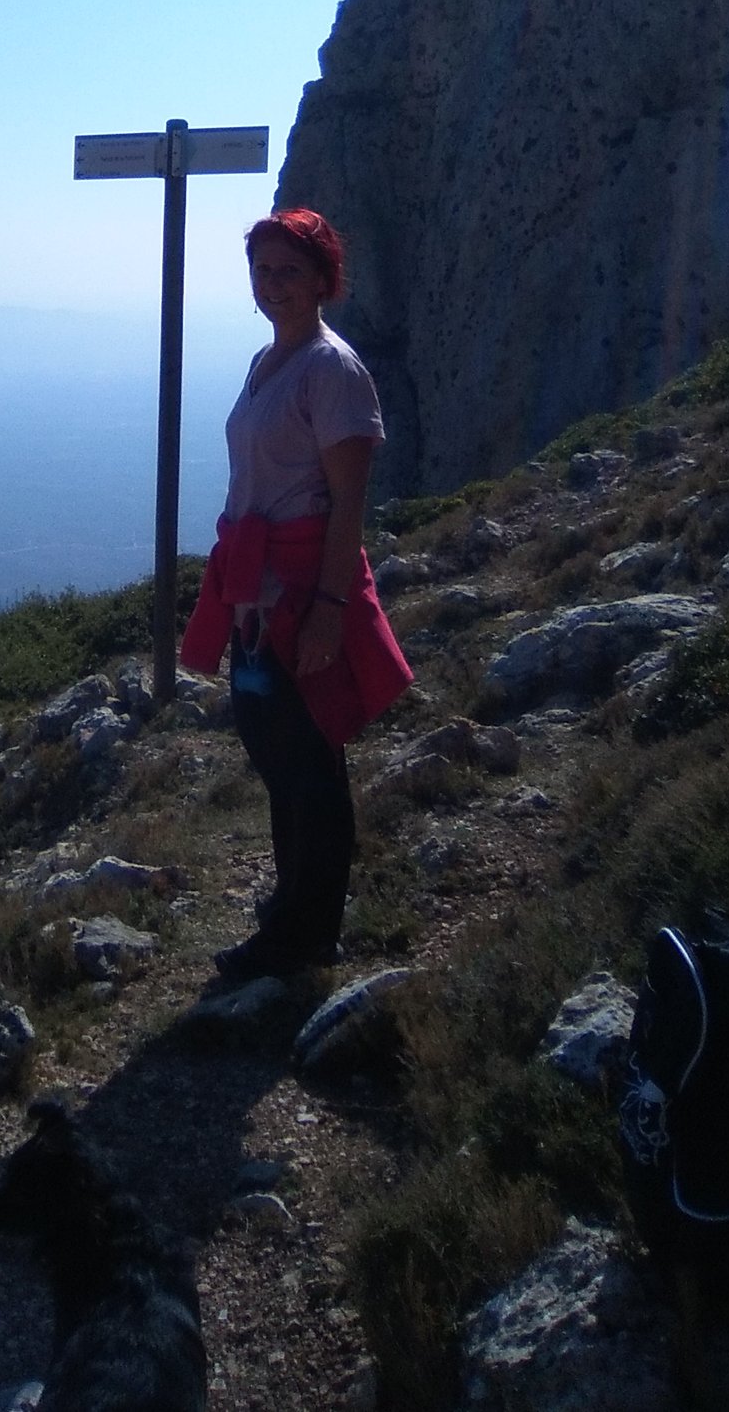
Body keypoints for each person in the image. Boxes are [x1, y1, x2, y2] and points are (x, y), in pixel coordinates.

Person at [180, 207, 412, 980]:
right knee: (276, 748)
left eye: (289, 270)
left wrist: (329, 612)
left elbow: (348, 502)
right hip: (257, 592)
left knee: (309, 758)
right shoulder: (268, 360)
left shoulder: (331, 369)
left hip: (302, 593)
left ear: (322, 279)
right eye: (263, 269)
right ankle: (293, 907)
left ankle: (308, 933)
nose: (273, 283)